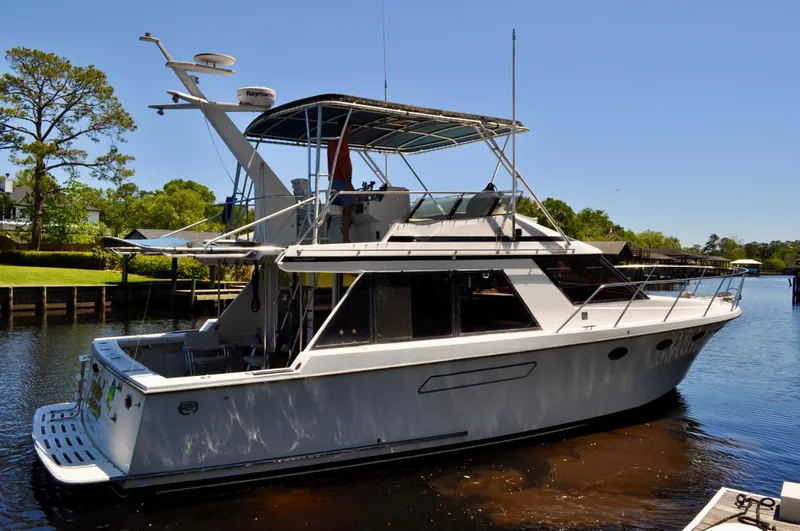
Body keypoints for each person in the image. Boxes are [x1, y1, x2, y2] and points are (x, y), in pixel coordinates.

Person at [327, 119, 356, 243]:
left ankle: (326, 236)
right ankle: (346, 238)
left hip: (333, 180)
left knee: (333, 209)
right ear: (344, 127)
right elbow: (342, 162)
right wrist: (348, 184)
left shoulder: (331, 141)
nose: (350, 131)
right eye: (350, 128)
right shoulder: (341, 141)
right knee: (348, 207)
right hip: (341, 180)